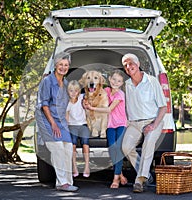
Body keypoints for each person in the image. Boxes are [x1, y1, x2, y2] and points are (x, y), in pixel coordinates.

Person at [121, 53, 167, 193]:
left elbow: (163, 107)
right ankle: (146, 173)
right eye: (126, 65)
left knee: (148, 144)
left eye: (131, 63)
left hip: (153, 120)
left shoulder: (152, 81)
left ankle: (140, 180)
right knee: (126, 147)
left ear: (138, 64)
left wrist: (154, 124)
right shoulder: (126, 85)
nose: (129, 67)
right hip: (134, 123)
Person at [35, 52, 78, 192]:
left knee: (68, 148)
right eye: (60, 64)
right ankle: (62, 182)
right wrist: (53, 123)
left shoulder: (65, 83)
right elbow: (44, 105)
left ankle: (67, 181)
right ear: (55, 65)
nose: (63, 67)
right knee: (58, 148)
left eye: (66, 65)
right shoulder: (47, 81)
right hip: (46, 119)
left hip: (60, 119)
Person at [85, 70, 128, 189]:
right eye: (114, 79)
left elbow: (109, 110)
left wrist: (91, 108)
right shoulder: (106, 91)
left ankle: (115, 179)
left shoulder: (120, 94)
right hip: (109, 125)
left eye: (119, 81)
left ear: (122, 83)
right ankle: (121, 175)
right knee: (112, 148)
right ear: (109, 79)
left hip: (120, 124)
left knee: (118, 148)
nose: (115, 82)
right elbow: (93, 93)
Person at [66, 80, 91, 178]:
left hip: (83, 124)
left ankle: (87, 167)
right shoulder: (67, 103)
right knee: (73, 144)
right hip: (72, 125)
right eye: (71, 91)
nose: (73, 93)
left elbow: (89, 94)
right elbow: (66, 117)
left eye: (75, 91)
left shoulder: (82, 98)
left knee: (85, 143)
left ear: (79, 92)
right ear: (68, 91)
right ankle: (74, 167)